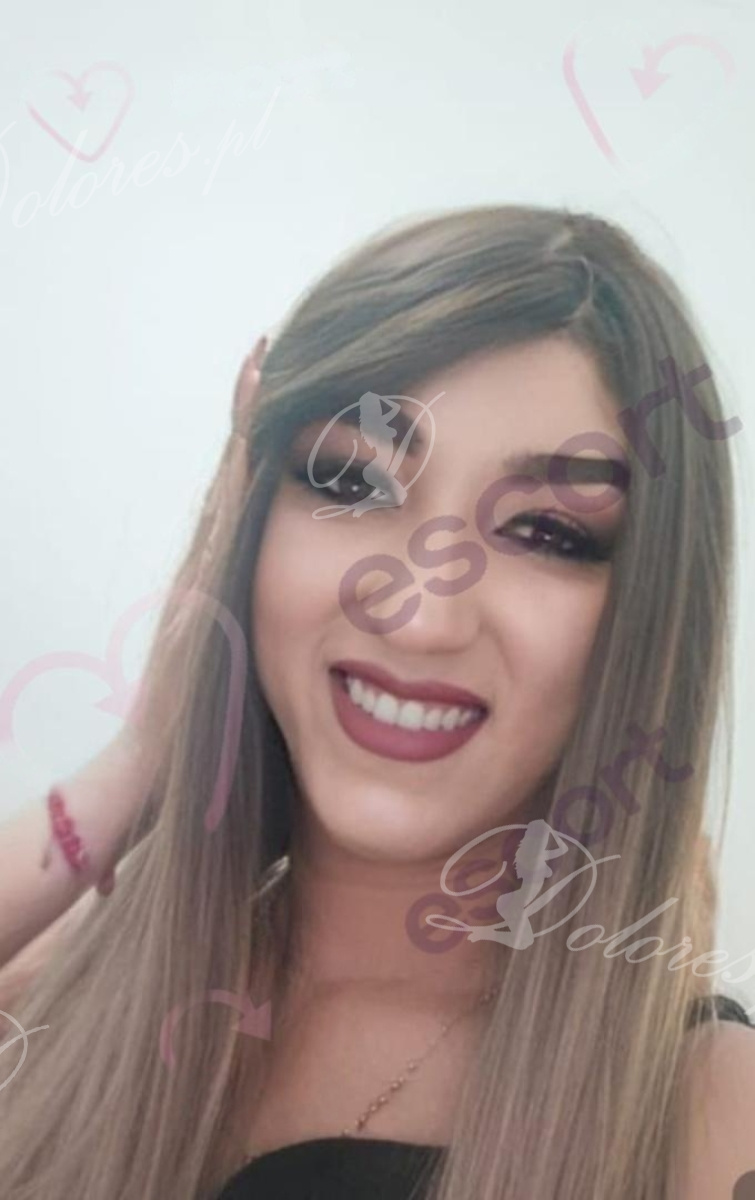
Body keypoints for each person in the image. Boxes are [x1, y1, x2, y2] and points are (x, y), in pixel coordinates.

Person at [0, 203, 753, 1200]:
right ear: (248, 518)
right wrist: (142, 758)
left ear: (646, 616)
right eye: (351, 483)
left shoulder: (706, 1117)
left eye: (546, 533)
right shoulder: (71, 984)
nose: (418, 614)